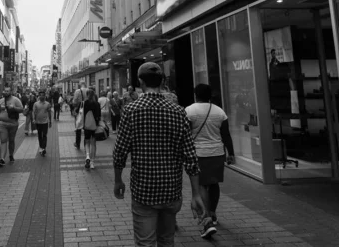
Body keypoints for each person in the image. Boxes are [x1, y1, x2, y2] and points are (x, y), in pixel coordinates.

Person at [113, 62, 205, 247]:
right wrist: (196, 194)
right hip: (171, 191)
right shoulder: (178, 112)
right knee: (166, 241)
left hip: (144, 191)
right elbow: (190, 156)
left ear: (140, 82)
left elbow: (120, 151)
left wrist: (118, 180)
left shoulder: (131, 111)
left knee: (145, 243)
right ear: (162, 82)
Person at [186, 83, 235, 238]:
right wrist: (231, 153)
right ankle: (213, 213)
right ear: (210, 95)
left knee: (200, 184)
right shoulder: (220, 111)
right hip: (217, 152)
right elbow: (226, 134)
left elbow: (186, 135)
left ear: (196, 95)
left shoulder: (189, 110)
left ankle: (207, 219)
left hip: (198, 153)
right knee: (213, 183)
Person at [0, 87, 23, 167]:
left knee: (11, 140)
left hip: (13, 124)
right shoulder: (1, 101)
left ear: (10, 92)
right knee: (3, 140)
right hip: (2, 124)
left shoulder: (16, 100)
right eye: (5, 91)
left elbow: (21, 109)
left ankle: (11, 155)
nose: (6, 92)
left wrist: (13, 108)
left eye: (8, 91)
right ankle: (2, 159)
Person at [83, 89, 100, 170]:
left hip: (86, 125)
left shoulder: (85, 103)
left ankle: (87, 156)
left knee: (87, 142)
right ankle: (92, 162)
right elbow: (99, 116)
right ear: (94, 95)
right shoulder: (97, 104)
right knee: (93, 143)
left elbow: (82, 114)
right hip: (94, 126)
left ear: (87, 95)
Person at [33, 90, 52, 156]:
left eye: (43, 95)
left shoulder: (47, 104)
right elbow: (34, 112)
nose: (42, 96)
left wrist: (50, 121)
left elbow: (49, 113)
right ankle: (41, 147)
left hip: (45, 122)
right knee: (39, 135)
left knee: (44, 135)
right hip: (38, 122)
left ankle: (43, 148)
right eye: (40, 95)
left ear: (45, 96)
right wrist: (34, 119)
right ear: (39, 96)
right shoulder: (36, 104)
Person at [73, 80, 88, 150]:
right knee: (86, 128)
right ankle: (86, 144)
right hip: (87, 111)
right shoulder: (89, 90)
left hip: (80, 111)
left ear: (80, 85)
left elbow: (74, 101)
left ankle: (77, 143)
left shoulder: (78, 91)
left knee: (78, 127)